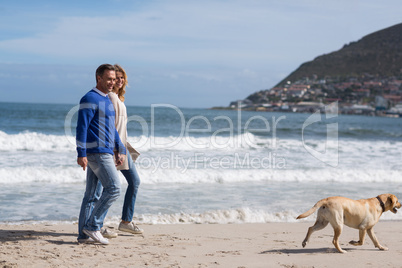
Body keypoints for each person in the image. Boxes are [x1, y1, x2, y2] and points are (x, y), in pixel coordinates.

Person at [76, 64, 126, 245]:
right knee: (114, 189)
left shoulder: (106, 100)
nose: (112, 82)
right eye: (109, 79)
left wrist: (120, 149)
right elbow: (81, 128)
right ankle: (94, 226)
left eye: (114, 79)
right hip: (96, 153)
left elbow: (111, 129)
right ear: (99, 78)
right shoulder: (89, 98)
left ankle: (83, 236)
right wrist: (81, 153)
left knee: (91, 196)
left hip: (105, 151)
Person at [108, 64, 143, 234]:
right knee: (104, 187)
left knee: (134, 182)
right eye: (117, 78)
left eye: (123, 78)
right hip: (114, 149)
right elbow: (110, 127)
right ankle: (95, 224)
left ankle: (126, 221)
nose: (120, 81)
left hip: (122, 148)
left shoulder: (119, 99)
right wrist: (116, 149)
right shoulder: (110, 98)